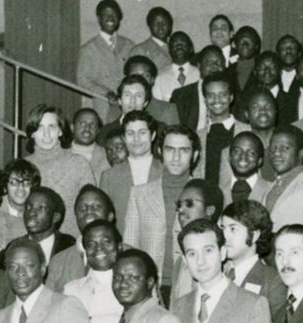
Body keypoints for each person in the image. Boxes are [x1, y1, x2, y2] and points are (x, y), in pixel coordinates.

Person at [122, 124, 201, 302]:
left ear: (194, 155)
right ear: (160, 151)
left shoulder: (206, 193)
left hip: (193, 287)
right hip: (151, 288)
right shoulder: (139, 194)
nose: (176, 157)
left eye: (184, 150)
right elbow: (130, 247)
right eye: (170, 149)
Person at [23, 105, 96, 238]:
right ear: (32, 133)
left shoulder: (79, 164)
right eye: (39, 127)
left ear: (60, 131)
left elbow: (91, 206)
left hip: (70, 243)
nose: (46, 134)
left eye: (51, 127)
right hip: (32, 244)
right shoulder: (23, 167)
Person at [46, 185, 116, 292]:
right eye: (82, 208)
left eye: (96, 206)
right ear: (76, 216)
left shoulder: (129, 255)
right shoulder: (58, 261)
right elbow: (48, 304)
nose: (88, 211)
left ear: (110, 216)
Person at [100, 110, 159, 231]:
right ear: (124, 137)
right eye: (130, 133)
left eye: (142, 133)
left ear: (152, 135)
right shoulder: (109, 177)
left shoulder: (167, 173)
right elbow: (103, 221)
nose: (136, 139)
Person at [77, 0, 133, 120]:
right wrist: (106, 93)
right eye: (106, 15)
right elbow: (83, 80)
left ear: (119, 18)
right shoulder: (88, 48)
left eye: (114, 15)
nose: (110, 18)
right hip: (103, 107)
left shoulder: (129, 45)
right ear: (98, 19)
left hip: (128, 106)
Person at [0, 186, 76, 269]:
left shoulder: (70, 246)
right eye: (28, 207)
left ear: (55, 217)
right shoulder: (12, 249)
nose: (32, 213)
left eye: (41, 208)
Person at [195, 70, 239, 185]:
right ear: (205, 100)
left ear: (231, 97)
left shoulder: (247, 131)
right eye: (211, 95)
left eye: (222, 94)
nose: (217, 100)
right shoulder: (197, 137)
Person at [0, 160, 39, 260]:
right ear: (5, 186)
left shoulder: (37, 215)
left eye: (26, 183)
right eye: (14, 182)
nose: (20, 188)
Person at [172, 44, 225, 133]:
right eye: (208, 62)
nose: (214, 66)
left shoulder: (233, 93)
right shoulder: (181, 95)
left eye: (218, 62)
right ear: (199, 66)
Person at [124, 56, 181, 126]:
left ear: (152, 80)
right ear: (126, 78)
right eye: (134, 75)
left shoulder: (167, 110)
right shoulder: (115, 111)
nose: (140, 80)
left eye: (145, 76)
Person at [222, 131, 273, 207]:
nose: (243, 157)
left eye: (251, 153)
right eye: (237, 151)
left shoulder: (271, 190)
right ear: (229, 157)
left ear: (259, 161)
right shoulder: (218, 191)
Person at [129, 5, 175, 79]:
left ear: (170, 25)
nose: (161, 27)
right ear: (149, 26)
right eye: (156, 24)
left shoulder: (176, 47)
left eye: (164, 23)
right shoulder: (139, 50)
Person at [160, 30, 200, 104]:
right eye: (175, 43)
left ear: (191, 48)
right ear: (169, 50)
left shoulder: (199, 74)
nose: (179, 46)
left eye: (183, 43)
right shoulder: (160, 76)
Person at [71, 107, 110, 182]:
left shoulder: (107, 156)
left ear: (98, 130)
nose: (87, 128)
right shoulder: (60, 154)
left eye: (92, 125)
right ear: (72, 127)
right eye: (82, 123)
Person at [231, 26, 261, 95]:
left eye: (250, 40)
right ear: (235, 45)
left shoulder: (263, 70)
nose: (245, 44)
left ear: (256, 46)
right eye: (241, 39)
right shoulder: (227, 72)